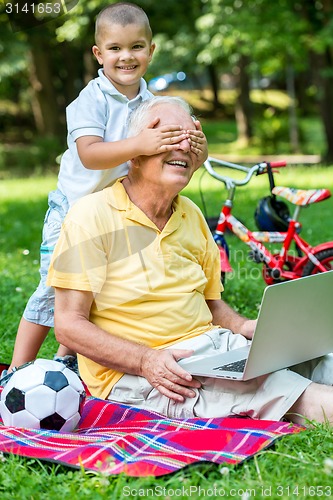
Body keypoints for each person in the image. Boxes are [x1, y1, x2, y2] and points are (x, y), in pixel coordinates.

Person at [46, 95, 333, 427]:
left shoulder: (191, 215)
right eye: (168, 136)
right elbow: (68, 325)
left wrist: (246, 329)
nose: (183, 145)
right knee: (294, 393)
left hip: (215, 351)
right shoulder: (91, 216)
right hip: (148, 375)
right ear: (136, 152)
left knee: (322, 358)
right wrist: (145, 360)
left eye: (190, 137)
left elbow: (212, 306)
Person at [1, 3, 207, 384]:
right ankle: (16, 369)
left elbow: (182, 156)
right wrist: (140, 141)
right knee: (54, 289)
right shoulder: (90, 100)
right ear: (98, 54)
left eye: (136, 47)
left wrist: (197, 145)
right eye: (115, 48)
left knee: (96, 291)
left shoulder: (151, 104)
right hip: (73, 209)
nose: (126, 56)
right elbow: (90, 154)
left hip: (116, 210)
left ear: (151, 51)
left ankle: (67, 361)